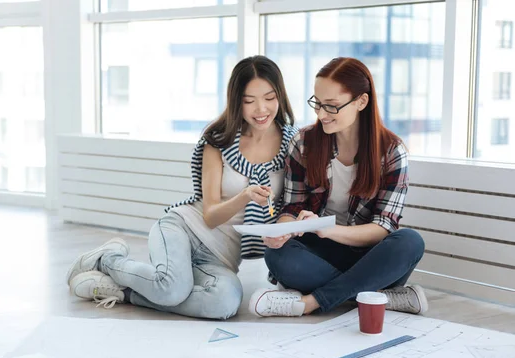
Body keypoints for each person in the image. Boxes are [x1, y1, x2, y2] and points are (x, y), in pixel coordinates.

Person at [65, 55, 298, 320]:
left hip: (220, 259)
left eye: (269, 98)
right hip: (183, 230)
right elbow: (210, 215)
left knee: (224, 303)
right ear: (236, 101)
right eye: (249, 101)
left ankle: (123, 291)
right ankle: (107, 259)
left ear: (280, 95)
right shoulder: (218, 140)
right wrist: (244, 197)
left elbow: (292, 204)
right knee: (172, 289)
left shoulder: (293, 142)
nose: (261, 109)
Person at [248, 57, 427, 318]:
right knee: (277, 255)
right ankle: (377, 296)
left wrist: (328, 229)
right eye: (317, 104)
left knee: (410, 242)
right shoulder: (304, 142)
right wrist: (282, 230)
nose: (321, 115)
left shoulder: (391, 152)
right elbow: (292, 205)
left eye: (331, 107)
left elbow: (382, 228)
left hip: (369, 256)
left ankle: (311, 302)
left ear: (361, 102)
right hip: (322, 255)